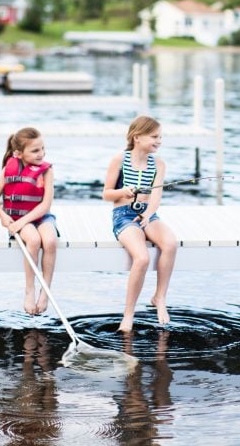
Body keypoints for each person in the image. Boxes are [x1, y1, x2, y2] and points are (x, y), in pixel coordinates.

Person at [102, 115, 178, 332]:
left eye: (160, 137)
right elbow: (106, 194)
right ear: (137, 137)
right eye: (154, 136)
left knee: (170, 244)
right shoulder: (119, 160)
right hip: (123, 215)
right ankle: (128, 314)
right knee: (142, 258)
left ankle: (159, 297)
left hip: (147, 215)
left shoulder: (158, 164)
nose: (159, 140)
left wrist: (148, 215)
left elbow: (156, 196)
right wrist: (122, 192)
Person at [0, 127, 58, 315]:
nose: (41, 154)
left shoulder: (47, 171)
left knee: (50, 240)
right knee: (34, 240)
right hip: (19, 218)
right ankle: (30, 290)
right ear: (18, 153)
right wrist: (4, 217)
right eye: (35, 150)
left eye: (43, 148)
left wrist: (22, 223)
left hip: (40, 216)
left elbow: (45, 205)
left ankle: (45, 292)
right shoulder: (8, 168)